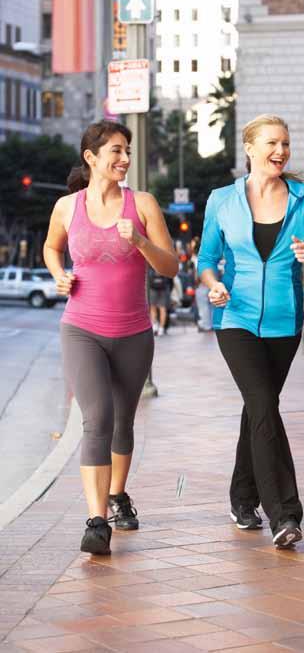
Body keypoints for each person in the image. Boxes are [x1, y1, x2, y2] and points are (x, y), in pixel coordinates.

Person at [198, 114, 304, 549]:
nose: (281, 151)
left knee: (260, 408)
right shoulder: (222, 199)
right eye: (272, 143)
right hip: (234, 318)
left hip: (284, 322)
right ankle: (285, 514)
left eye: (286, 144)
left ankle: (242, 498)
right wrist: (213, 284)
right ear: (250, 148)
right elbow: (205, 260)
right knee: (261, 403)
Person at [43, 120, 178, 555]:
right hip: (81, 329)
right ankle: (97, 520)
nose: (124, 159)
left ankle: (118, 494)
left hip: (134, 333)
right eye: (116, 151)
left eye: (127, 151)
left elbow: (170, 266)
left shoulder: (143, 204)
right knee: (97, 418)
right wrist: (59, 274)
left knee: (122, 421)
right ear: (91, 157)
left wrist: (139, 240)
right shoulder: (67, 207)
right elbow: (51, 247)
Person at [148, 267, 173, 336]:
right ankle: (161, 328)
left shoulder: (151, 265)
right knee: (163, 309)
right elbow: (170, 279)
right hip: (163, 288)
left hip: (153, 288)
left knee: (153, 308)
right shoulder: (165, 264)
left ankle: (155, 326)